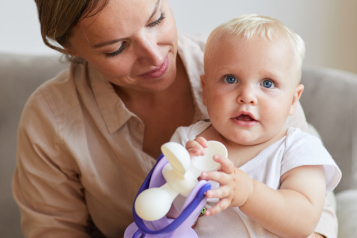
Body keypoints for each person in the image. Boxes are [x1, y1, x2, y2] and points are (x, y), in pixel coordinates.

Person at [11, 0, 336, 237]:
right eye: (116, 48)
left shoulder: (245, 59)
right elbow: (54, 231)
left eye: (156, 20)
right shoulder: (52, 118)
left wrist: (249, 194)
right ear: (70, 48)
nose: (154, 56)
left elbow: (314, 216)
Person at [170, 14, 341, 238]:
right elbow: (166, 215)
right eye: (230, 79)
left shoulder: (299, 149)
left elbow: (304, 221)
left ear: (292, 100)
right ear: (205, 90)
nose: (247, 96)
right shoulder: (188, 141)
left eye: (267, 83)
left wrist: (249, 194)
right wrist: (184, 177)